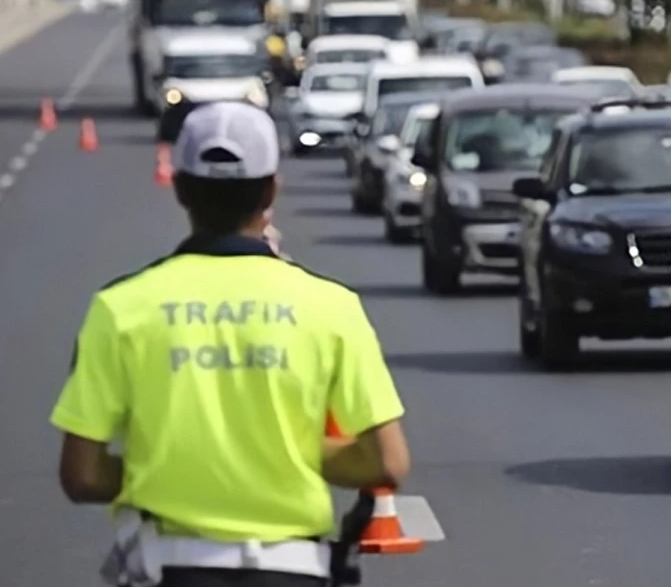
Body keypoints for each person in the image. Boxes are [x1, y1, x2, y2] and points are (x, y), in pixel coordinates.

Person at [50, 101, 411, 587]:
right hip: (294, 570)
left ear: (179, 188)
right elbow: (386, 461)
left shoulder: (120, 308)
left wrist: (168, 466)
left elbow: (83, 474)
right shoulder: (332, 307)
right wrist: (287, 451)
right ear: (271, 191)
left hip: (170, 569)